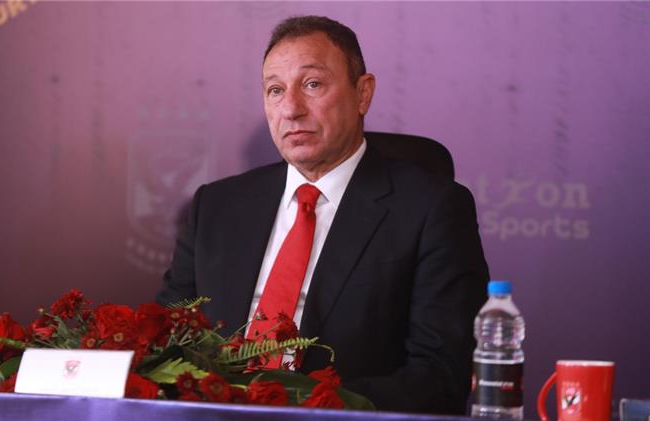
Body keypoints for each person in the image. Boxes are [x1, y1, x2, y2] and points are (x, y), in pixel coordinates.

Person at [157, 15, 489, 414]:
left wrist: (306, 407)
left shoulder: (431, 208)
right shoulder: (216, 206)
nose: (291, 109)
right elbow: (163, 344)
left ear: (363, 93)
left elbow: (441, 374)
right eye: (275, 90)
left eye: (312, 84)